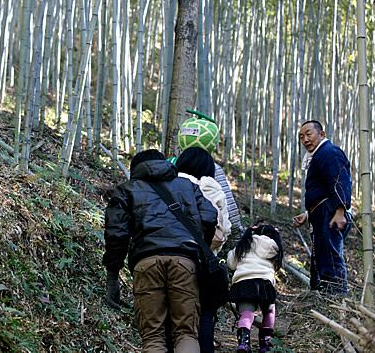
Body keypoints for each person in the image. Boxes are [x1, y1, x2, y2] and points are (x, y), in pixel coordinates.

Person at [103, 149, 218, 352]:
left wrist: (113, 275)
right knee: (185, 333)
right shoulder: (188, 186)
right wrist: (198, 247)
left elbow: (117, 233)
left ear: (134, 169)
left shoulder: (127, 189)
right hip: (185, 261)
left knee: (153, 336)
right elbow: (209, 216)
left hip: (146, 262)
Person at [176, 146, 232, 352]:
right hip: (205, 264)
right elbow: (222, 232)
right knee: (205, 317)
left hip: (174, 258)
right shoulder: (213, 189)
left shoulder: (169, 185)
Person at [292, 120, 352, 294]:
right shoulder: (318, 155)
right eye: (301, 137)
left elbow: (339, 182)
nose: (305, 140)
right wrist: (308, 214)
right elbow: (322, 190)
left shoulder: (329, 152)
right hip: (323, 213)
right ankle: (326, 299)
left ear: (322, 134)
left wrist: (340, 211)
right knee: (322, 257)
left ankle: (337, 300)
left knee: (331, 258)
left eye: (309, 134)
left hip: (331, 213)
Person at [227, 225, 283, 353]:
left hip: (244, 282)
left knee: (247, 314)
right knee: (269, 311)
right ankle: (265, 343)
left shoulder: (244, 244)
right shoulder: (274, 247)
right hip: (264, 283)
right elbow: (277, 266)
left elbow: (231, 263)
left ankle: (243, 342)